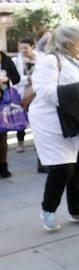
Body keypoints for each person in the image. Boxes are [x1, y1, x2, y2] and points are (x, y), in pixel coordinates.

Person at [30, 24, 79, 232]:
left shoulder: (78, 60)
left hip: (78, 120)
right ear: (69, 42)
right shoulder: (49, 61)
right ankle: (48, 210)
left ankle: (77, 209)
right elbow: (44, 90)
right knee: (63, 169)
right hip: (54, 123)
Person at [12, 38, 39, 154]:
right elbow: (14, 78)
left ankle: (37, 142)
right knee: (21, 119)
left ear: (32, 47)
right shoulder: (16, 60)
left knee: (37, 119)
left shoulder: (39, 59)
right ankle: (20, 143)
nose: (23, 50)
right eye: (21, 48)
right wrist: (27, 79)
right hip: (22, 92)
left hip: (36, 92)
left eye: (26, 48)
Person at [0, 49, 21, 177]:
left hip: (3, 103)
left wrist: (6, 79)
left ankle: (3, 166)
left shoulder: (5, 60)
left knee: (2, 137)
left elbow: (16, 78)